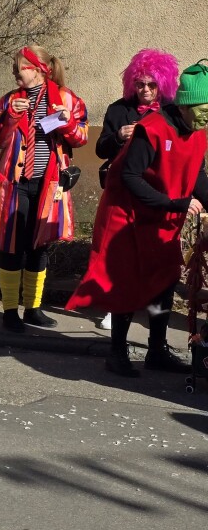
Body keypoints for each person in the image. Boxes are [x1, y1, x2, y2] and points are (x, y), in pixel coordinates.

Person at [67, 60, 208, 377]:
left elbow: (198, 177)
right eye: (204, 107)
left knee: (163, 283)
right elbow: (130, 177)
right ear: (186, 106)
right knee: (126, 286)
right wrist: (175, 203)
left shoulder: (198, 134)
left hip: (161, 217)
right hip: (126, 217)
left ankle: (156, 350)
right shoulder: (153, 129)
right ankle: (117, 353)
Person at [0, 45, 89, 332]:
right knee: (11, 246)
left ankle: (33, 309)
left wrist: (67, 122)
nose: (15, 72)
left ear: (38, 69)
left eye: (20, 67)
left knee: (40, 245)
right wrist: (10, 117)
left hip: (49, 185)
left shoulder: (67, 98)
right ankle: (10, 311)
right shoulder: (9, 100)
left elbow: (81, 138)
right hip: (14, 184)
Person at [92, 49, 180, 332]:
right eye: (140, 84)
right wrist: (118, 136)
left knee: (157, 266)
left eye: (152, 84)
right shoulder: (119, 109)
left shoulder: (171, 112)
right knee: (120, 259)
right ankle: (115, 310)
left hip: (157, 195)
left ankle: (156, 329)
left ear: (162, 84)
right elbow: (100, 148)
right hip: (123, 195)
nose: (145, 90)